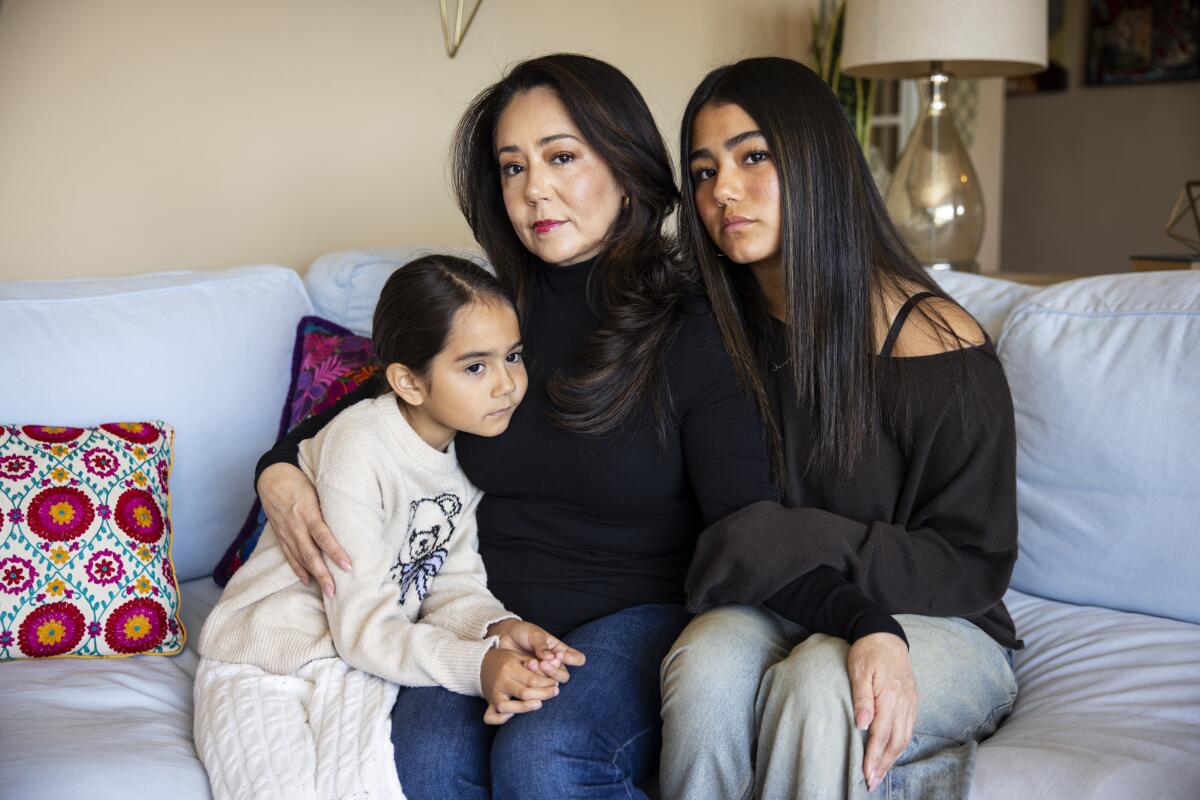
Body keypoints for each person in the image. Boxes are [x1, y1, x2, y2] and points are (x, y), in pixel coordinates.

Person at [251, 54, 899, 800]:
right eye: (513, 167)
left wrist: (867, 624)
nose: (535, 189)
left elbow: (750, 525)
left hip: (637, 617)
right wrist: (277, 472)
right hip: (486, 615)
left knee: (545, 757)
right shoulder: (490, 314)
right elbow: (370, 407)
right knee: (424, 761)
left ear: (625, 168)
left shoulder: (695, 327)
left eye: (561, 157)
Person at [658, 57, 1021, 800]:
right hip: (783, 600)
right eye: (703, 172)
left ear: (817, 162)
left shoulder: (937, 344)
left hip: (943, 618)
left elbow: (974, 561)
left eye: (753, 157)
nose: (722, 191)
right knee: (704, 666)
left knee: (823, 685)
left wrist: (803, 539)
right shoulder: (711, 332)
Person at [194, 256, 581, 800]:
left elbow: (449, 582)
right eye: (476, 367)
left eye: (512, 357)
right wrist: (476, 665)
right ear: (408, 382)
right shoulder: (359, 444)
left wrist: (497, 628)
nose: (507, 385)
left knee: (371, 788)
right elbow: (362, 627)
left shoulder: (466, 454)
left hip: (358, 664)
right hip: (266, 660)